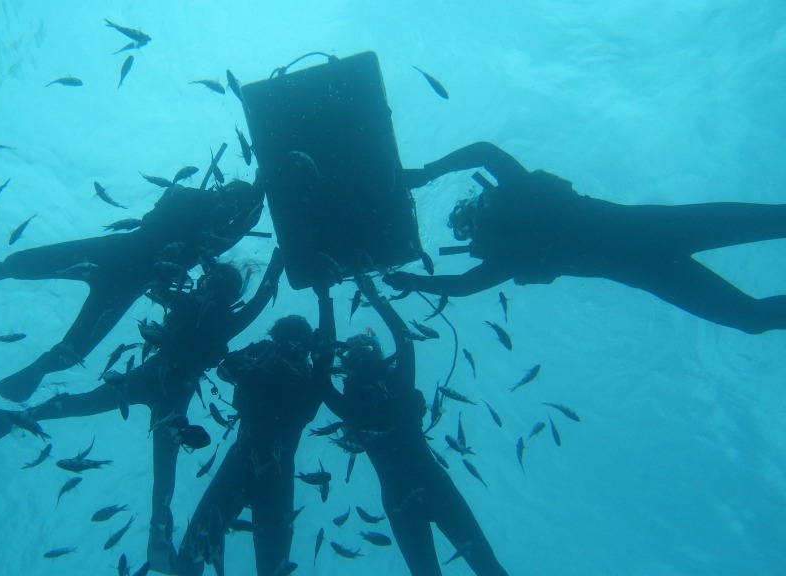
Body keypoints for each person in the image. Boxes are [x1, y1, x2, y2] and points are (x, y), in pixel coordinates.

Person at [0, 250, 282, 574]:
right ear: (232, 293)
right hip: (171, 397)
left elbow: (153, 282)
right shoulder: (226, 319)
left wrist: (274, 263)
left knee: (85, 406)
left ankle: (12, 419)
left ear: (211, 282)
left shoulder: (188, 302)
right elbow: (261, 296)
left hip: (147, 381)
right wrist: (277, 264)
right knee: (162, 471)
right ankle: (158, 539)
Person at [386, 141, 786, 334]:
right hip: (658, 244)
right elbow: (464, 285)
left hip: (652, 256)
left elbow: (463, 284)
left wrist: (428, 172)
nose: (474, 224)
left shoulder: (516, 215)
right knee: (750, 312)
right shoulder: (514, 231)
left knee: (752, 306)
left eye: (468, 218)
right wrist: (428, 172)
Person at [0, 180, 265, 403]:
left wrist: (250, 194)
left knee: (46, 274)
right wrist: (254, 195)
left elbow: (160, 211)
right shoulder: (211, 232)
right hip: (130, 274)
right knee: (74, 340)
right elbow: (229, 230)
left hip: (118, 258)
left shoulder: (197, 211)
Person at [322, 274, 509, 576]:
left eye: (364, 348)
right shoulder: (398, 384)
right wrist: (369, 293)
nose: (359, 353)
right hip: (435, 485)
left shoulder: (351, 405)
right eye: (356, 352)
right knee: (485, 564)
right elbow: (403, 337)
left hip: (400, 500)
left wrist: (326, 300)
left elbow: (321, 376)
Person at [175, 312, 329, 576]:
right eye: (285, 340)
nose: (289, 348)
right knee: (202, 548)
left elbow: (304, 411)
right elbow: (225, 368)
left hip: (247, 464)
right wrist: (262, 362)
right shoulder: (270, 356)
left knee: (202, 548)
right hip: (266, 469)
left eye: (295, 342)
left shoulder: (309, 373)